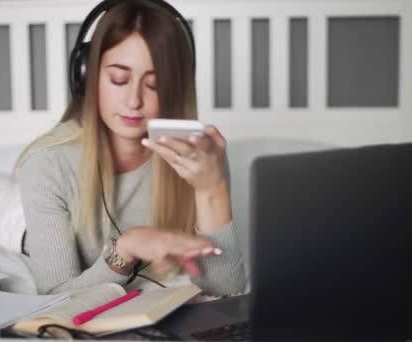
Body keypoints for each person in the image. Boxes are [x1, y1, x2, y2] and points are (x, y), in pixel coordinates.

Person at [15, 0, 247, 296]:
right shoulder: (46, 164)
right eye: (119, 79)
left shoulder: (200, 157)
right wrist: (126, 249)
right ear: (88, 75)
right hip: (13, 223)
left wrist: (211, 188)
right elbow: (56, 301)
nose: (133, 101)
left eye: (154, 84)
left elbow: (226, 289)